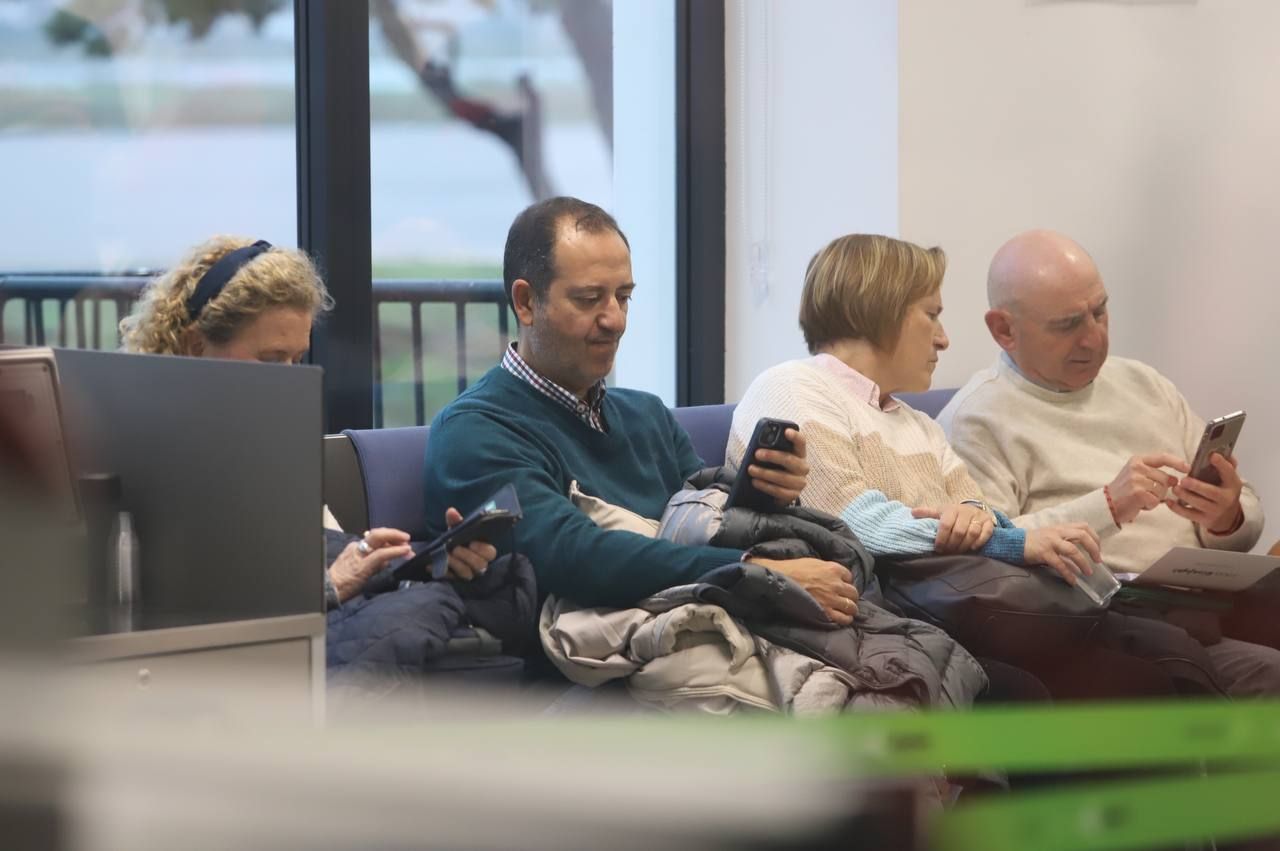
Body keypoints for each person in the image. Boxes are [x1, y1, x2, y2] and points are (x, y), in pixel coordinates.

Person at [422, 197, 859, 624]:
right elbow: (575, 557)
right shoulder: (475, 431)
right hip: (595, 668)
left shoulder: (646, 415)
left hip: (703, 630)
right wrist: (755, 571)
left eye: (624, 297)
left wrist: (771, 495)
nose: (615, 320)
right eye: (590, 298)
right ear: (526, 303)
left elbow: (707, 522)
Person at [938, 229, 1280, 696]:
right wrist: (1107, 506)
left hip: (1209, 597)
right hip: (1113, 617)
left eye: (1100, 311)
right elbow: (987, 555)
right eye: (1067, 324)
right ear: (1004, 329)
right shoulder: (977, 419)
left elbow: (1246, 523)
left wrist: (1226, 516)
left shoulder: (1143, 383)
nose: (1094, 339)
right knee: (1266, 674)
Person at [119, 235, 495, 607]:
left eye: (296, 360)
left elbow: (325, 549)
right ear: (195, 347)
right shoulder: (149, 453)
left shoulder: (271, 442)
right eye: (270, 359)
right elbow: (162, 599)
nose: (290, 379)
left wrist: (415, 565)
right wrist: (326, 588)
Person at [727, 234, 1101, 581]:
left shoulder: (921, 425)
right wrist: (1010, 542)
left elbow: (981, 515)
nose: (944, 339)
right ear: (879, 309)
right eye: (932, 314)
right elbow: (849, 524)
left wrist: (972, 518)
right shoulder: (793, 386)